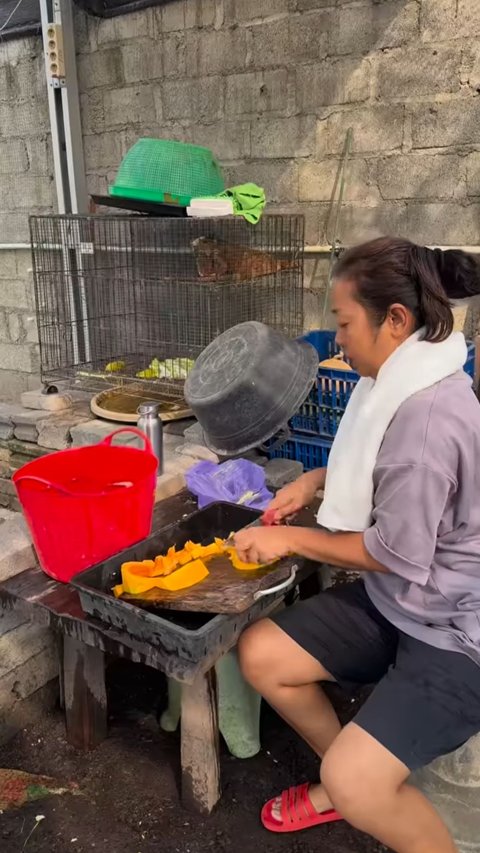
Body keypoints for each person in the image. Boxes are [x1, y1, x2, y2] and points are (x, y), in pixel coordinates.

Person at [234, 237, 480, 853]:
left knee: (356, 782)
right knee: (263, 653)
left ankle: (354, 788)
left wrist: (289, 538)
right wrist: (316, 481)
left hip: (456, 630)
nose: (337, 340)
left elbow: (392, 552)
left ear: (395, 320)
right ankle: (344, 781)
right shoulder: (399, 380)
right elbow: (376, 471)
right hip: (401, 600)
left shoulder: (427, 421)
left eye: (343, 324)